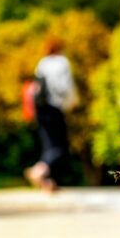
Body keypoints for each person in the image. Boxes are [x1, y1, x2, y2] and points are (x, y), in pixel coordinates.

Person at [25, 36, 79, 192]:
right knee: (60, 147)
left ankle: (47, 183)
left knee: (48, 144)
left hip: (40, 108)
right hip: (54, 107)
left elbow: (35, 86)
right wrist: (72, 102)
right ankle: (39, 170)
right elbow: (66, 87)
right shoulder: (62, 62)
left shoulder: (42, 63)